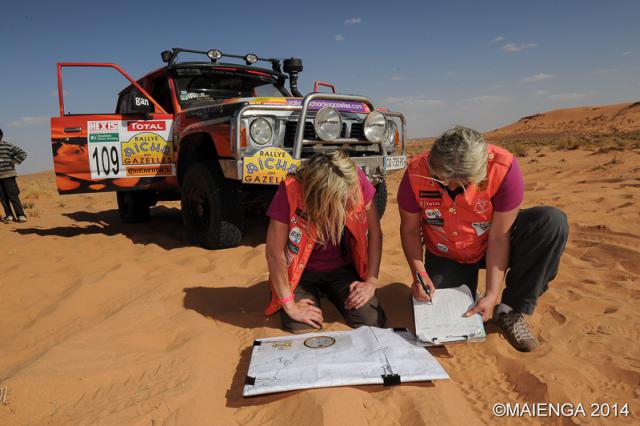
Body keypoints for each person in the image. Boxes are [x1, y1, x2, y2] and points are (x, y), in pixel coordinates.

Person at [398, 126, 568, 352]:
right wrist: (419, 272)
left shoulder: (503, 167)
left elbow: (499, 236)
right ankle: (470, 293)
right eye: (443, 179)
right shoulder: (415, 173)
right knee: (443, 318)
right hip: (446, 250)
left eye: (462, 182)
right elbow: (409, 230)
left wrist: (492, 294)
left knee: (550, 222)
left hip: (493, 243)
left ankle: (508, 310)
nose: (450, 187)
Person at [264, 150, 386, 333]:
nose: (354, 203)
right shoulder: (290, 191)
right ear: (322, 196)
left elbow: (375, 232)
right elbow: (274, 252)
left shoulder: (354, 178)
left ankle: (328, 292)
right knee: (301, 327)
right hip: (300, 273)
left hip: (342, 269)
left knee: (371, 319)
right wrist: (289, 305)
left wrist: (370, 282)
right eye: (345, 201)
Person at [0, 128, 28, 223]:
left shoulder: (8, 145)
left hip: (9, 175)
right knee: (2, 198)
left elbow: (23, 153)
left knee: (13, 196)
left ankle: (21, 215)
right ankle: (9, 216)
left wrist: (13, 161)